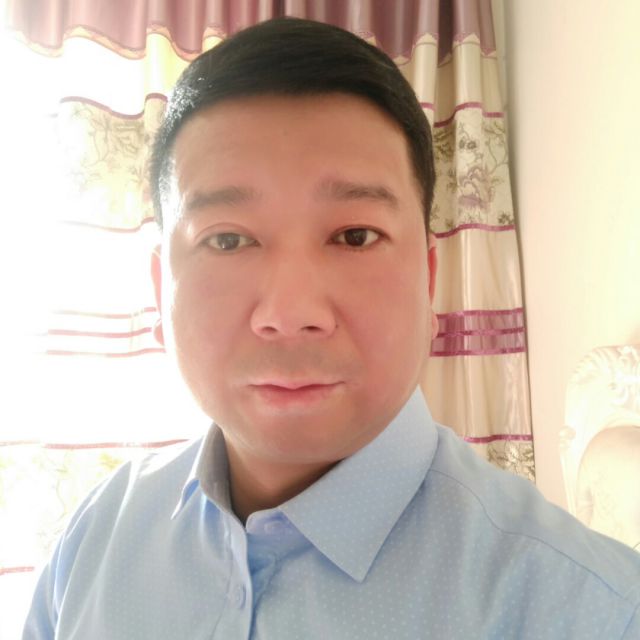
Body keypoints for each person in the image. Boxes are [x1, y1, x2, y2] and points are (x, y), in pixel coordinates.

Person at [23, 17, 640, 640]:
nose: (291, 312)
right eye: (228, 239)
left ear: (428, 278)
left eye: (355, 235)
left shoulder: (593, 610)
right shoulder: (93, 543)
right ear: (161, 288)